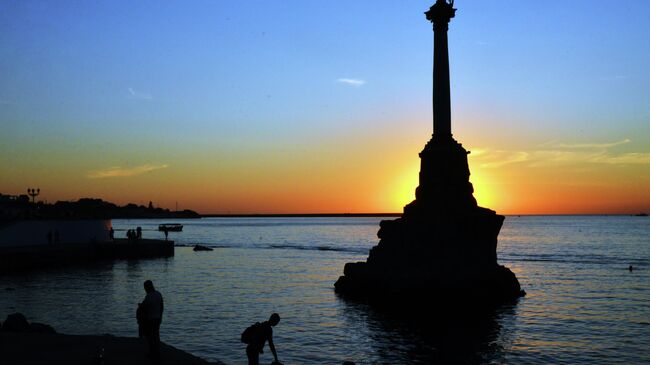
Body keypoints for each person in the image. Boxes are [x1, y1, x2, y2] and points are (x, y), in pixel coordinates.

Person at [140, 280, 164, 359]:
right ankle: (157, 353)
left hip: (150, 319)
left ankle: (152, 352)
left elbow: (144, 307)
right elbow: (161, 306)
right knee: (156, 336)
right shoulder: (158, 294)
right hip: (157, 318)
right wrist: (161, 317)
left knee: (150, 337)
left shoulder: (148, 296)